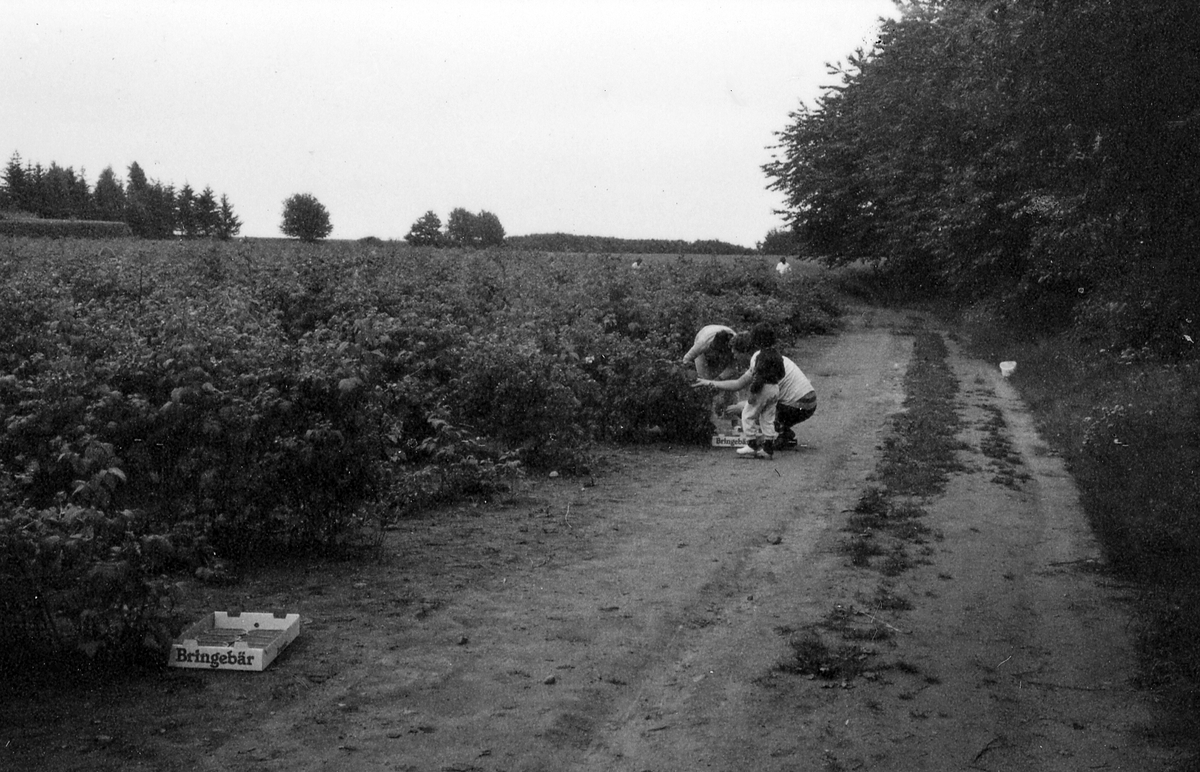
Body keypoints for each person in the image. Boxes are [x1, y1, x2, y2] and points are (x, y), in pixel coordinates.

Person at [693, 322, 816, 457]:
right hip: (808, 402)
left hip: (798, 404)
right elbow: (739, 383)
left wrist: (741, 406)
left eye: (736, 353)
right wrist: (709, 383)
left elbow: (756, 393)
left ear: (744, 352)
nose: (734, 357)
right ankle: (781, 432)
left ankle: (767, 439)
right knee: (763, 411)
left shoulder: (757, 358)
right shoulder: (767, 357)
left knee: (750, 411)